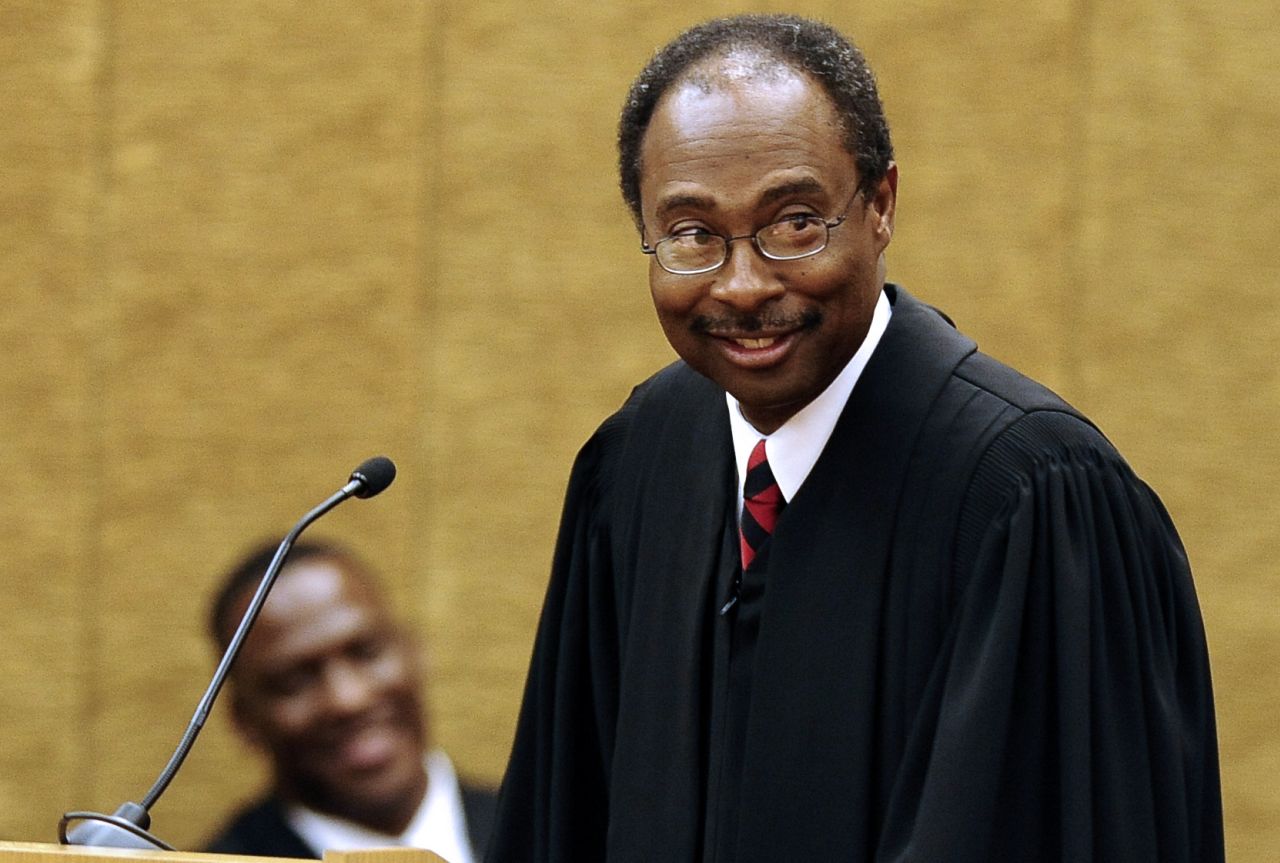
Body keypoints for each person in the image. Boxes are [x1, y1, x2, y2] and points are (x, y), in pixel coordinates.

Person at [486, 13, 1223, 863]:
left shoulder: (1029, 499)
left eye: (795, 222)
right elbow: (562, 821)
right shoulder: (637, 465)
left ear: (880, 206)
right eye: (693, 235)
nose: (744, 283)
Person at [203, 539, 496, 862]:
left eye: (366, 652)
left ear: (414, 651)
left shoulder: (545, 829)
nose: (349, 699)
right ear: (244, 720)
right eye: (294, 681)